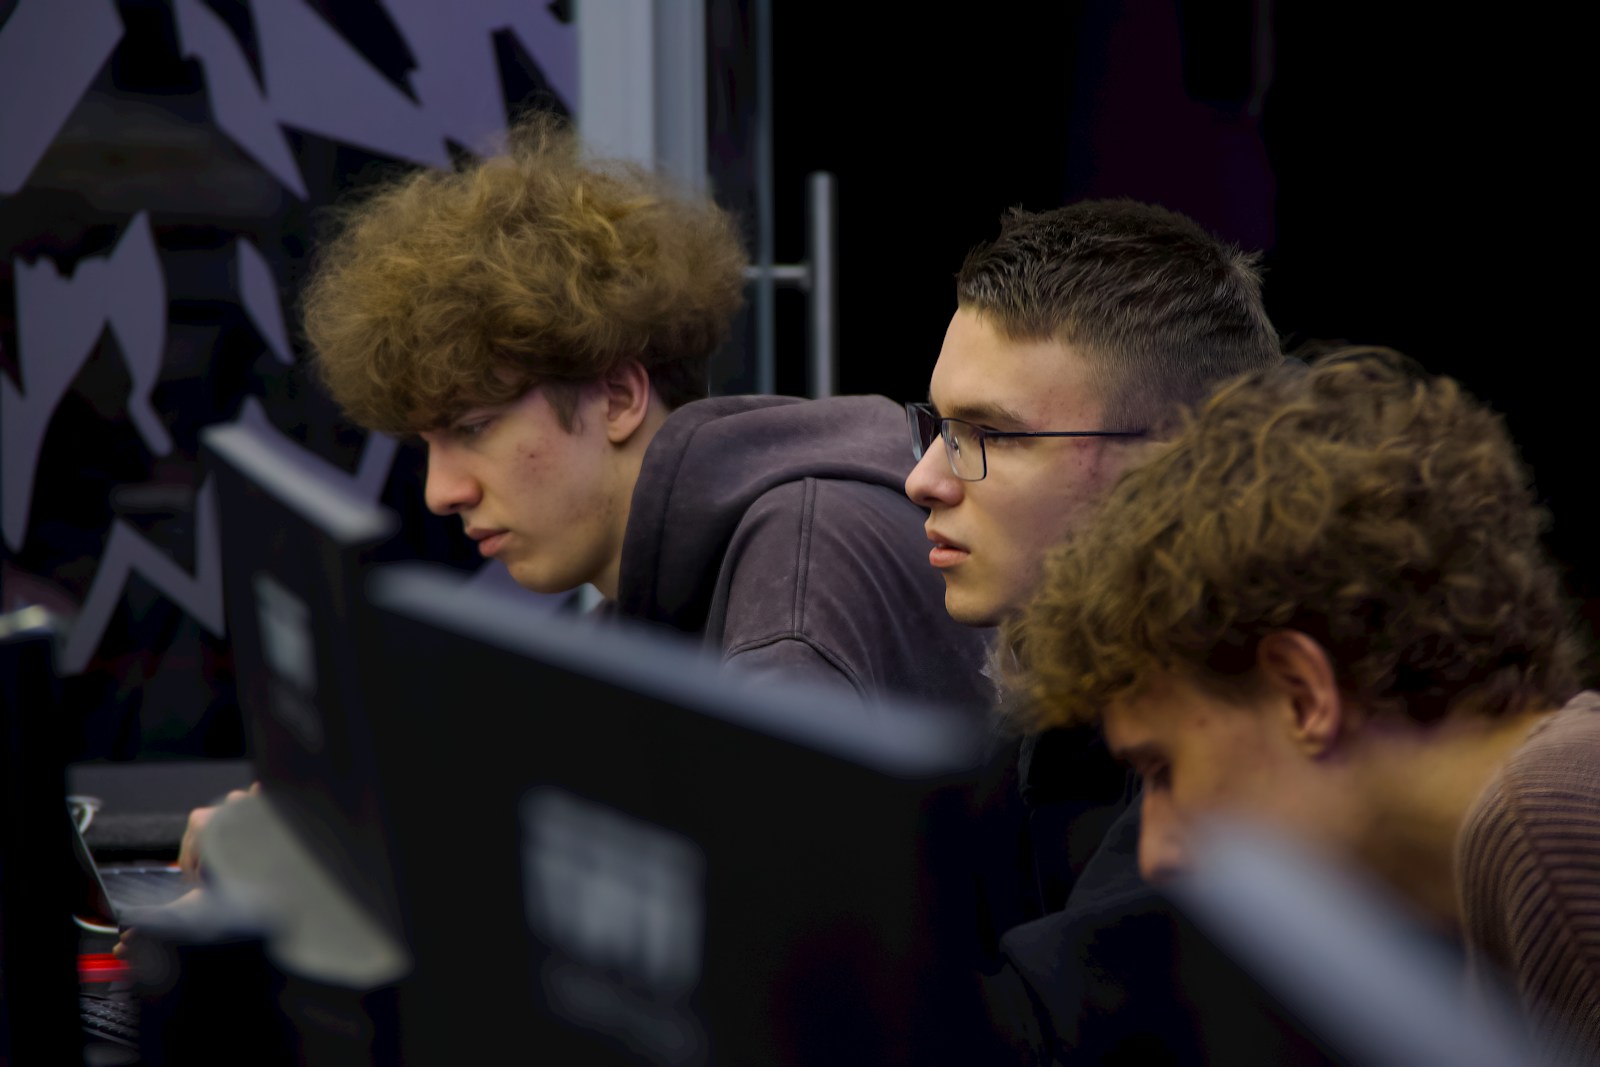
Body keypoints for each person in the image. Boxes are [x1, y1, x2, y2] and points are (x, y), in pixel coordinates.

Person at [1008, 347, 1600, 1060]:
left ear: (1302, 692)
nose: (1158, 851)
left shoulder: (1546, 817)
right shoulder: (1512, 851)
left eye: (1164, 770)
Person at [299, 114, 988, 706]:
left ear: (620, 398)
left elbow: (774, 857)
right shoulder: (654, 600)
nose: (441, 491)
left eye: (474, 428)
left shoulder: (797, 572)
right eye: (427, 446)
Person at [902, 200, 1282, 948]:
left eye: (993, 435)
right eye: (940, 428)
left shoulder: (1255, 710)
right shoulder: (1058, 666)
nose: (923, 478)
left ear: (1174, 456)